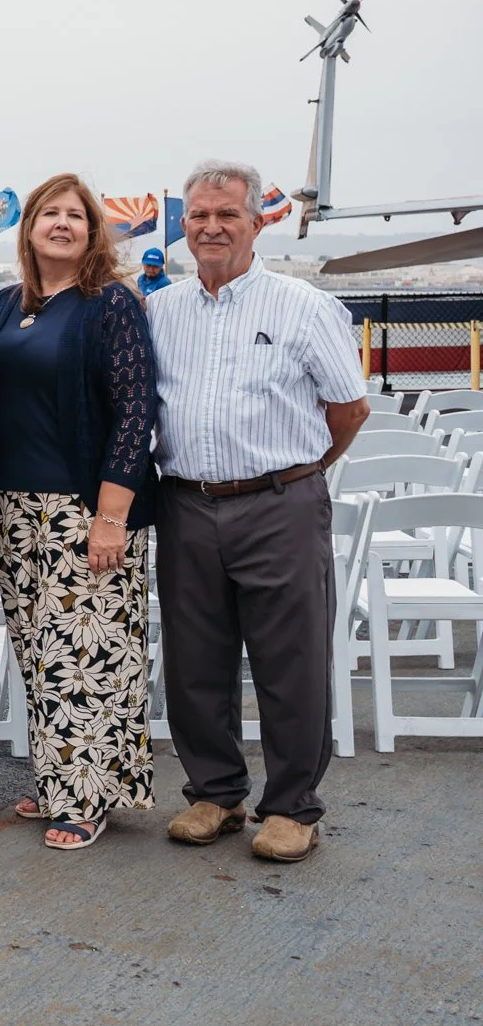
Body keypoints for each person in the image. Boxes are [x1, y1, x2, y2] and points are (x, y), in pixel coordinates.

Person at [146, 159, 367, 864]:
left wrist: (298, 476)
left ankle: (293, 806)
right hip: (186, 502)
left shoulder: (303, 306)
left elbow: (349, 408)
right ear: (184, 224)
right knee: (193, 661)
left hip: (280, 503)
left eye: (227, 215)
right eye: (199, 215)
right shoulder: (161, 310)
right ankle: (216, 793)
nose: (211, 227)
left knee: (290, 660)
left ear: (256, 222)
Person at [0, 174, 159, 851]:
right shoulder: (5, 306)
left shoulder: (110, 303)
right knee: (38, 649)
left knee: (88, 650)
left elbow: (136, 410)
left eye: (75, 216)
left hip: (84, 506)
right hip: (14, 506)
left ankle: (87, 797)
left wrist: (111, 515)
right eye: (49, 213)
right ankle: (59, 778)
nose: (61, 223)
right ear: (29, 228)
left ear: (92, 233)